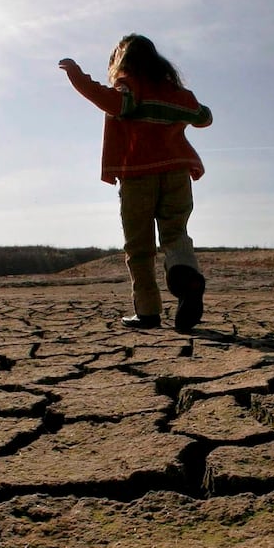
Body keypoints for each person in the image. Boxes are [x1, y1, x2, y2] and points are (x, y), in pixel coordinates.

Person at [59, 34, 213, 331]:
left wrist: (77, 77)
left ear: (123, 60)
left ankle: (148, 312)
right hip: (177, 173)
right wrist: (181, 102)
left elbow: (109, 101)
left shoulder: (129, 88)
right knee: (175, 234)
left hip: (138, 175)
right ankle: (186, 277)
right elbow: (203, 117)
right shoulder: (174, 92)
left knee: (139, 246)